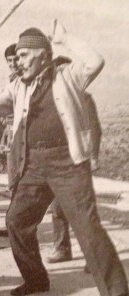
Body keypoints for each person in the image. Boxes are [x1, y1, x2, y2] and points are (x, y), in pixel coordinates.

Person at [0, 20, 129, 296]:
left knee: (86, 227)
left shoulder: (68, 76)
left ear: (43, 54)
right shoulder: (18, 86)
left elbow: (95, 61)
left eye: (24, 55)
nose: (18, 61)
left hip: (68, 163)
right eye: (16, 57)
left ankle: (116, 293)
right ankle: (36, 279)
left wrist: (65, 38)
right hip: (34, 163)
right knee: (16, 219)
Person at [47, 92, 103, 264]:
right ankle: (62, 248)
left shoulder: (83, 97)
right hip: (57, 159)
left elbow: (94, 128)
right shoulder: (51, 98)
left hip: (78, 160)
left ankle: (94, 256)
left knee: (83, 209)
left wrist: (93, 156)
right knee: (57, 207)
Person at [0, 43, 18, 237]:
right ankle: (14, 225)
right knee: (13, 183)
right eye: (9, 61)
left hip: (28, 138)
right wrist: (4, 138)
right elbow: (7, 116)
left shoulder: (30, 80)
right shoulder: (10, 82)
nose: (13, 64)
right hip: (12, 137)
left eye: (16, 59)